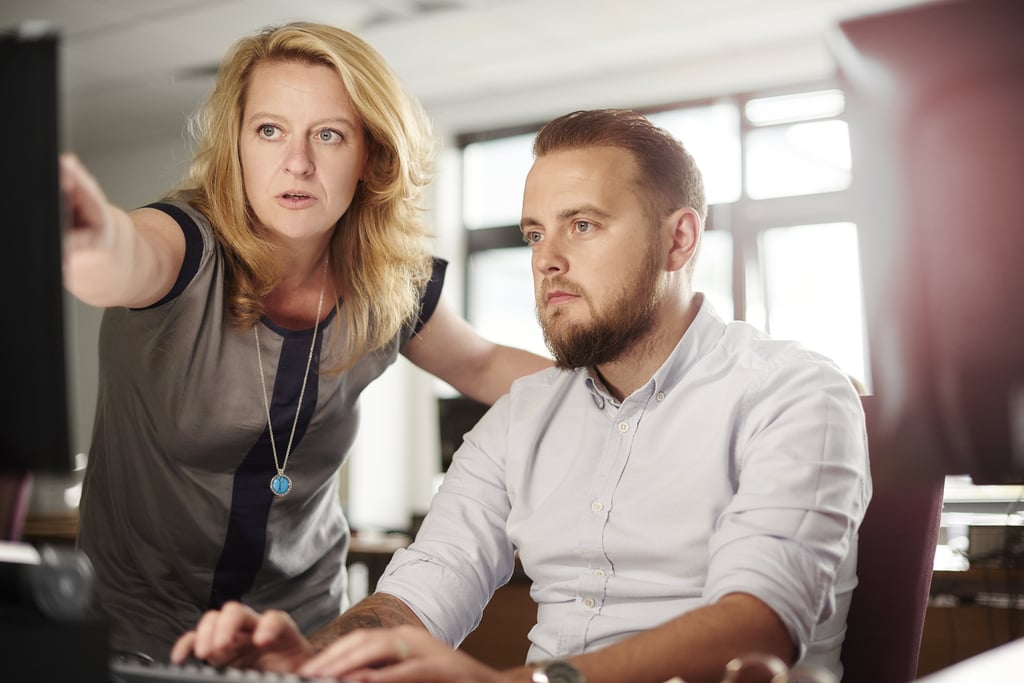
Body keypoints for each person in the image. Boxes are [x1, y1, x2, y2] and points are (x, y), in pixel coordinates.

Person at [170, 109, 872, 683]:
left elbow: (756, 625)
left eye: (583, 224)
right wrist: (310, 661)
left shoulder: (794, 391)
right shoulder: (522, 416)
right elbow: (417, 593)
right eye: (535, 233)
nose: (547, 259)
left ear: (678, 239)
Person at [61, 22, 551, 661]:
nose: (298, 162)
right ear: (237, 146)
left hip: (303, 630)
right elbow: (119, 257)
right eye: (270, 131)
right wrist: (86, 235)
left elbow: (483, 364)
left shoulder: (388, 283)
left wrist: (630, 390)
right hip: (136, 630)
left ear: (370, 155)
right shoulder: (183, 243)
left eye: (329, 134)